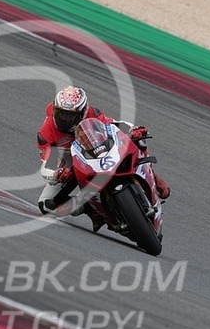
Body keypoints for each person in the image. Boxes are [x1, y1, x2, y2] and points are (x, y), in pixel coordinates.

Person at [36, 85, 170, 232]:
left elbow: (113, 124)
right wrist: (57, 174)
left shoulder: (91, 114)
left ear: (83, 112)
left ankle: (154, 177)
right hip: (68, 163)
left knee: (138, 140)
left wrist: (133, 130)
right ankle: (90, 210)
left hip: (95, 149)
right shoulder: (47, 132)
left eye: (70, 116)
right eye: (61, 114)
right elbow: (47, 167)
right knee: (46, 205)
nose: (65, 120)